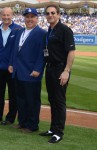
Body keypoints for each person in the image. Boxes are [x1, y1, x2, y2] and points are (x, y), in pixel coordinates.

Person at [39, 5, 75, 144]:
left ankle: (59, 132)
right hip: (50, 68)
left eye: (53, 13)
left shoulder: (65, 30)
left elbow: (71, 52)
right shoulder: (50, 30)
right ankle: (53, 128)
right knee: (52, 99)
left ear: (59, 14)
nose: (50, 15)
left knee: (59, 101)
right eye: (48, 13)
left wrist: (66, 71)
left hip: (60, 69)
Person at [9, 8, 46, 133]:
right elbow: (15, 51)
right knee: (21, 99)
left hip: (31, 73)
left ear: (37, 18)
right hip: (19, 71)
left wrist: (38, 69)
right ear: (24, 18)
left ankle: (32, 125)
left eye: (32, 17)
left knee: (32, 101)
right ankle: (22, 122)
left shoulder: (41, 33)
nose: (29, 19)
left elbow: (43, 54)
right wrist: (11, 64)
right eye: (27, 17)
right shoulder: (20, 32)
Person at [0, 7, 21, 125]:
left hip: (12, 68)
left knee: (13, 95)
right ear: (1, 16)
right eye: (4, 15)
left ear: (12, 15)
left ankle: (10, 118)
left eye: (8, 15)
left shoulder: (18, 29)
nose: (6, 17)